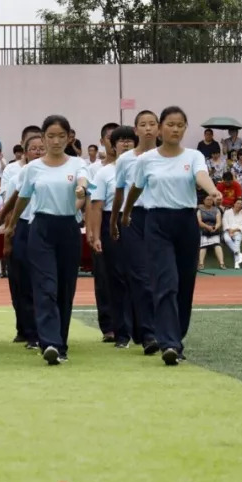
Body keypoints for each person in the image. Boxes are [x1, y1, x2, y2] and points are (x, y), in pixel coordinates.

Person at [123, 106, 222, 366]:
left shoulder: (194, 156)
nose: (175, 129)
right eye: (170, 124)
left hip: (186, 223)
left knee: (185, 283)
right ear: (159, 128)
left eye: (180, 125)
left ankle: (177, 336)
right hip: (157, 223)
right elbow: (135, 188)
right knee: (165, 282)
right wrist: (126, 213)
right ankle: (168, 343)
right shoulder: (146, 160)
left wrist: (212, 191)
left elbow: (201, 176)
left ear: (185, 128)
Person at [5, 115, 88, 366]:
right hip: (40, 228)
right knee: (45, 286)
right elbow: (23, 198)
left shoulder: (77, 164)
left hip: (68, 228)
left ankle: (60, 343)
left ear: (69, 137)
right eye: (50, 136)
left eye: (61, 136)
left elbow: (84, 182)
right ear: (43, 138)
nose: (55, 141)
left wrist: (81, 189)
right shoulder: (33, 168)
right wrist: (11, 224)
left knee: (64, 287)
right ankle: (49, 342)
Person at [110, 110, 161, 355]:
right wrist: (114, 221)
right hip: (133, 218)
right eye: (143, 124)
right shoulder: (126, 160)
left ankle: (159, 329)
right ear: (136, 129)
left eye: (153, 124)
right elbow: (120, 193)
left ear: (159, 128)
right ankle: (149, 333)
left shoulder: (169, 156)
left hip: (162, 217)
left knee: (161, 277)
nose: (149, 128)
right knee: (140, 276)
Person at [87, 125, 136, 348]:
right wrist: (95, 234)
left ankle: (144, 330)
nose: (125, 144)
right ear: (112, 145)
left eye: (129, 140)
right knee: (115, 278)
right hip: (111, 221)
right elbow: (96, 207)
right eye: (120, 140)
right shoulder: (104, 172)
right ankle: (120, 331)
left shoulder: (143, 166)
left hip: (138, 220)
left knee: (140, 278)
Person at [0, 126, 45, 349]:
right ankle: (28, 331)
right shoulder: (18, 175)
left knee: (41, 282)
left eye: (41, 149)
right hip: (22, 228)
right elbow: (9, 209)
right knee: (23, 282)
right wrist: (8, 237)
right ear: (24, 153)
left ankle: (41, 330)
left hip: (44, 227)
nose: (37, 152)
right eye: (33, 149)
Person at [197, 194, 225, 270]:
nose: (209, 201)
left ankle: (222, 264)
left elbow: (219, 222)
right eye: (207, 199)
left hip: (214, 230)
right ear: (204, 201)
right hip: (203, 230)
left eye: (211, 200)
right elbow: (199, 222)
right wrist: (207, 227)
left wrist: (215, 228)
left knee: (217, 245)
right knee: (203, 246)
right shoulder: (200, 210)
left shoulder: (216, 210)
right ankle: (201, 264)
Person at [222, 198, 242, 268]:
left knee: (237, 242)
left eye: (241, 204)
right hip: (227, 231)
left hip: (237, 232)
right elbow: (224, 222)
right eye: (238, 203)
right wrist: (229, 230)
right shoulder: (227, 212)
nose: (239, 205)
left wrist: (234, 231)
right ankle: (239, 255)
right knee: (227, 239)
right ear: (234, 204)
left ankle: (236, 263)